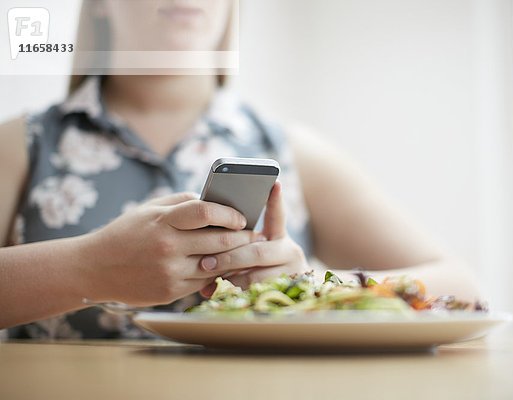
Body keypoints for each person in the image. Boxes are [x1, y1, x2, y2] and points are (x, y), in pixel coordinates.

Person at [0, 0, 479, 339]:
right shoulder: (23, 145)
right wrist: (87, 268)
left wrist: (311, 287)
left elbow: (460, 284)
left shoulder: (292, 151)